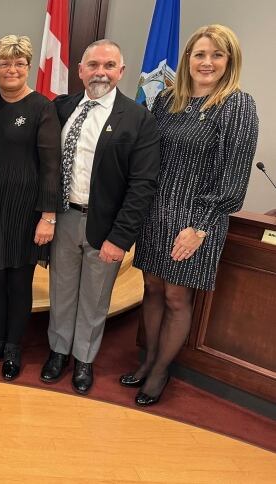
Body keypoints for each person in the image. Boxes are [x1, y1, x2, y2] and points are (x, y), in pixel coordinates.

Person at [124, 25, 258, 406]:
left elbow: (235, 176)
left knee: (176, 297)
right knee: (150, 288)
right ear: (187, 59)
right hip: (156, 212)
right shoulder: (167, 100)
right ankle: (147, 360)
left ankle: (161, 372)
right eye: (199, 54)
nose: (207, 62)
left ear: (229, 60)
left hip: (197, 219)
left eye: (217, 55)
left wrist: (199, 227)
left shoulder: (237, 105)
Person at [40, 39, 160, 395]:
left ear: (121, 72)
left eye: (109, 66)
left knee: (95, 298)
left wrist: (120, 237)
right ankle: (59, 352)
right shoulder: (61, 108)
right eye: (93, 65)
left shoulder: (138, 119)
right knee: (61, 290)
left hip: (105, 225)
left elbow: (143, 185)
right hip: (63, 217)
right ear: (80, 71)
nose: (100, 72)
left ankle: (84, 360)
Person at [0, 35, 61, 381]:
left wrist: (48, 216)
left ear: (28, 67)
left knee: (19, 281)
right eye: (4, 63)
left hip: (25, 212)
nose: (11, 69)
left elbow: (52, 166)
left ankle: (13, 349)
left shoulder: (42, 108)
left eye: (19, 63)